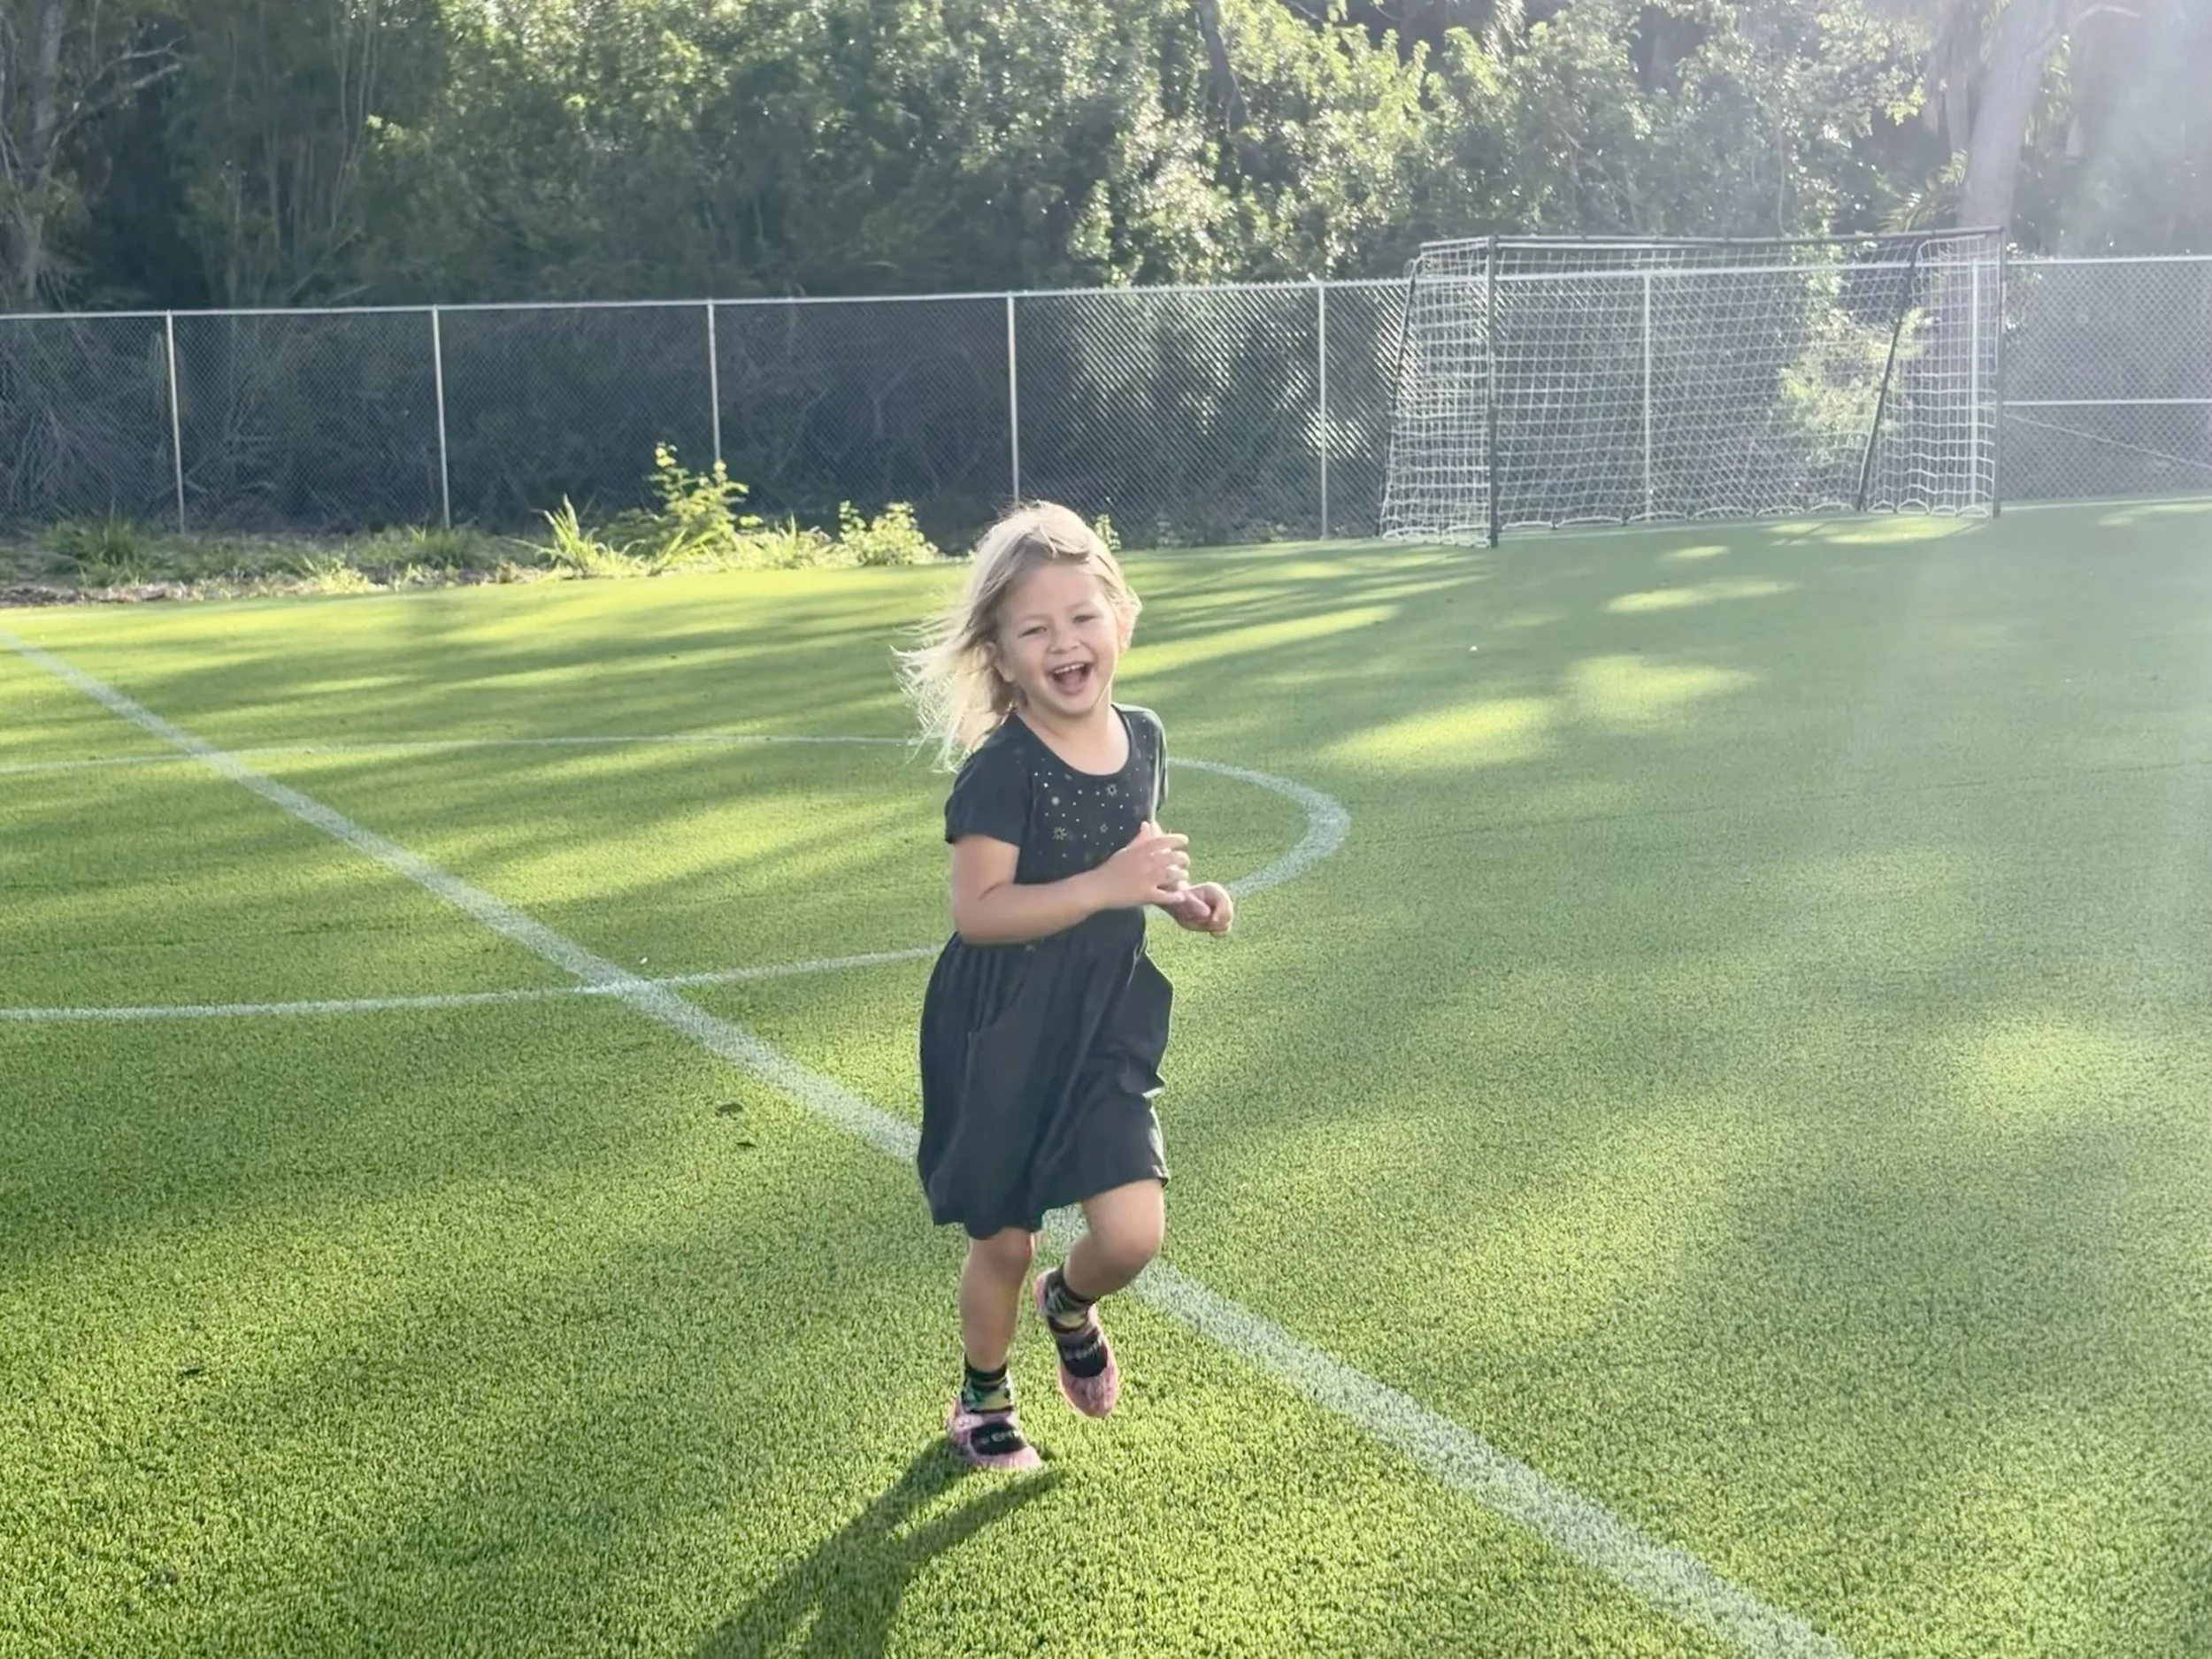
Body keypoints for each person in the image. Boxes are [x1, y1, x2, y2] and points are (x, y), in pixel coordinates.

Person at [897, 503, 1234, 1471]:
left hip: (1101, 1024)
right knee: (1003, 1242)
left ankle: (1069, 1302)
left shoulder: (1144, 737)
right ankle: (982, 1397)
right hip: (1000, 1032)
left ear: (1120, 618)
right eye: (1034, 630)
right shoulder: (1002, 771)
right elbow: (979, 911)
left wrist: (1180, 900)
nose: (1064, 643)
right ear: (1001, 657)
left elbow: (1134, 863)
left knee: (1131, 1234)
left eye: (1082, 617)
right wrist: (1101, 888)